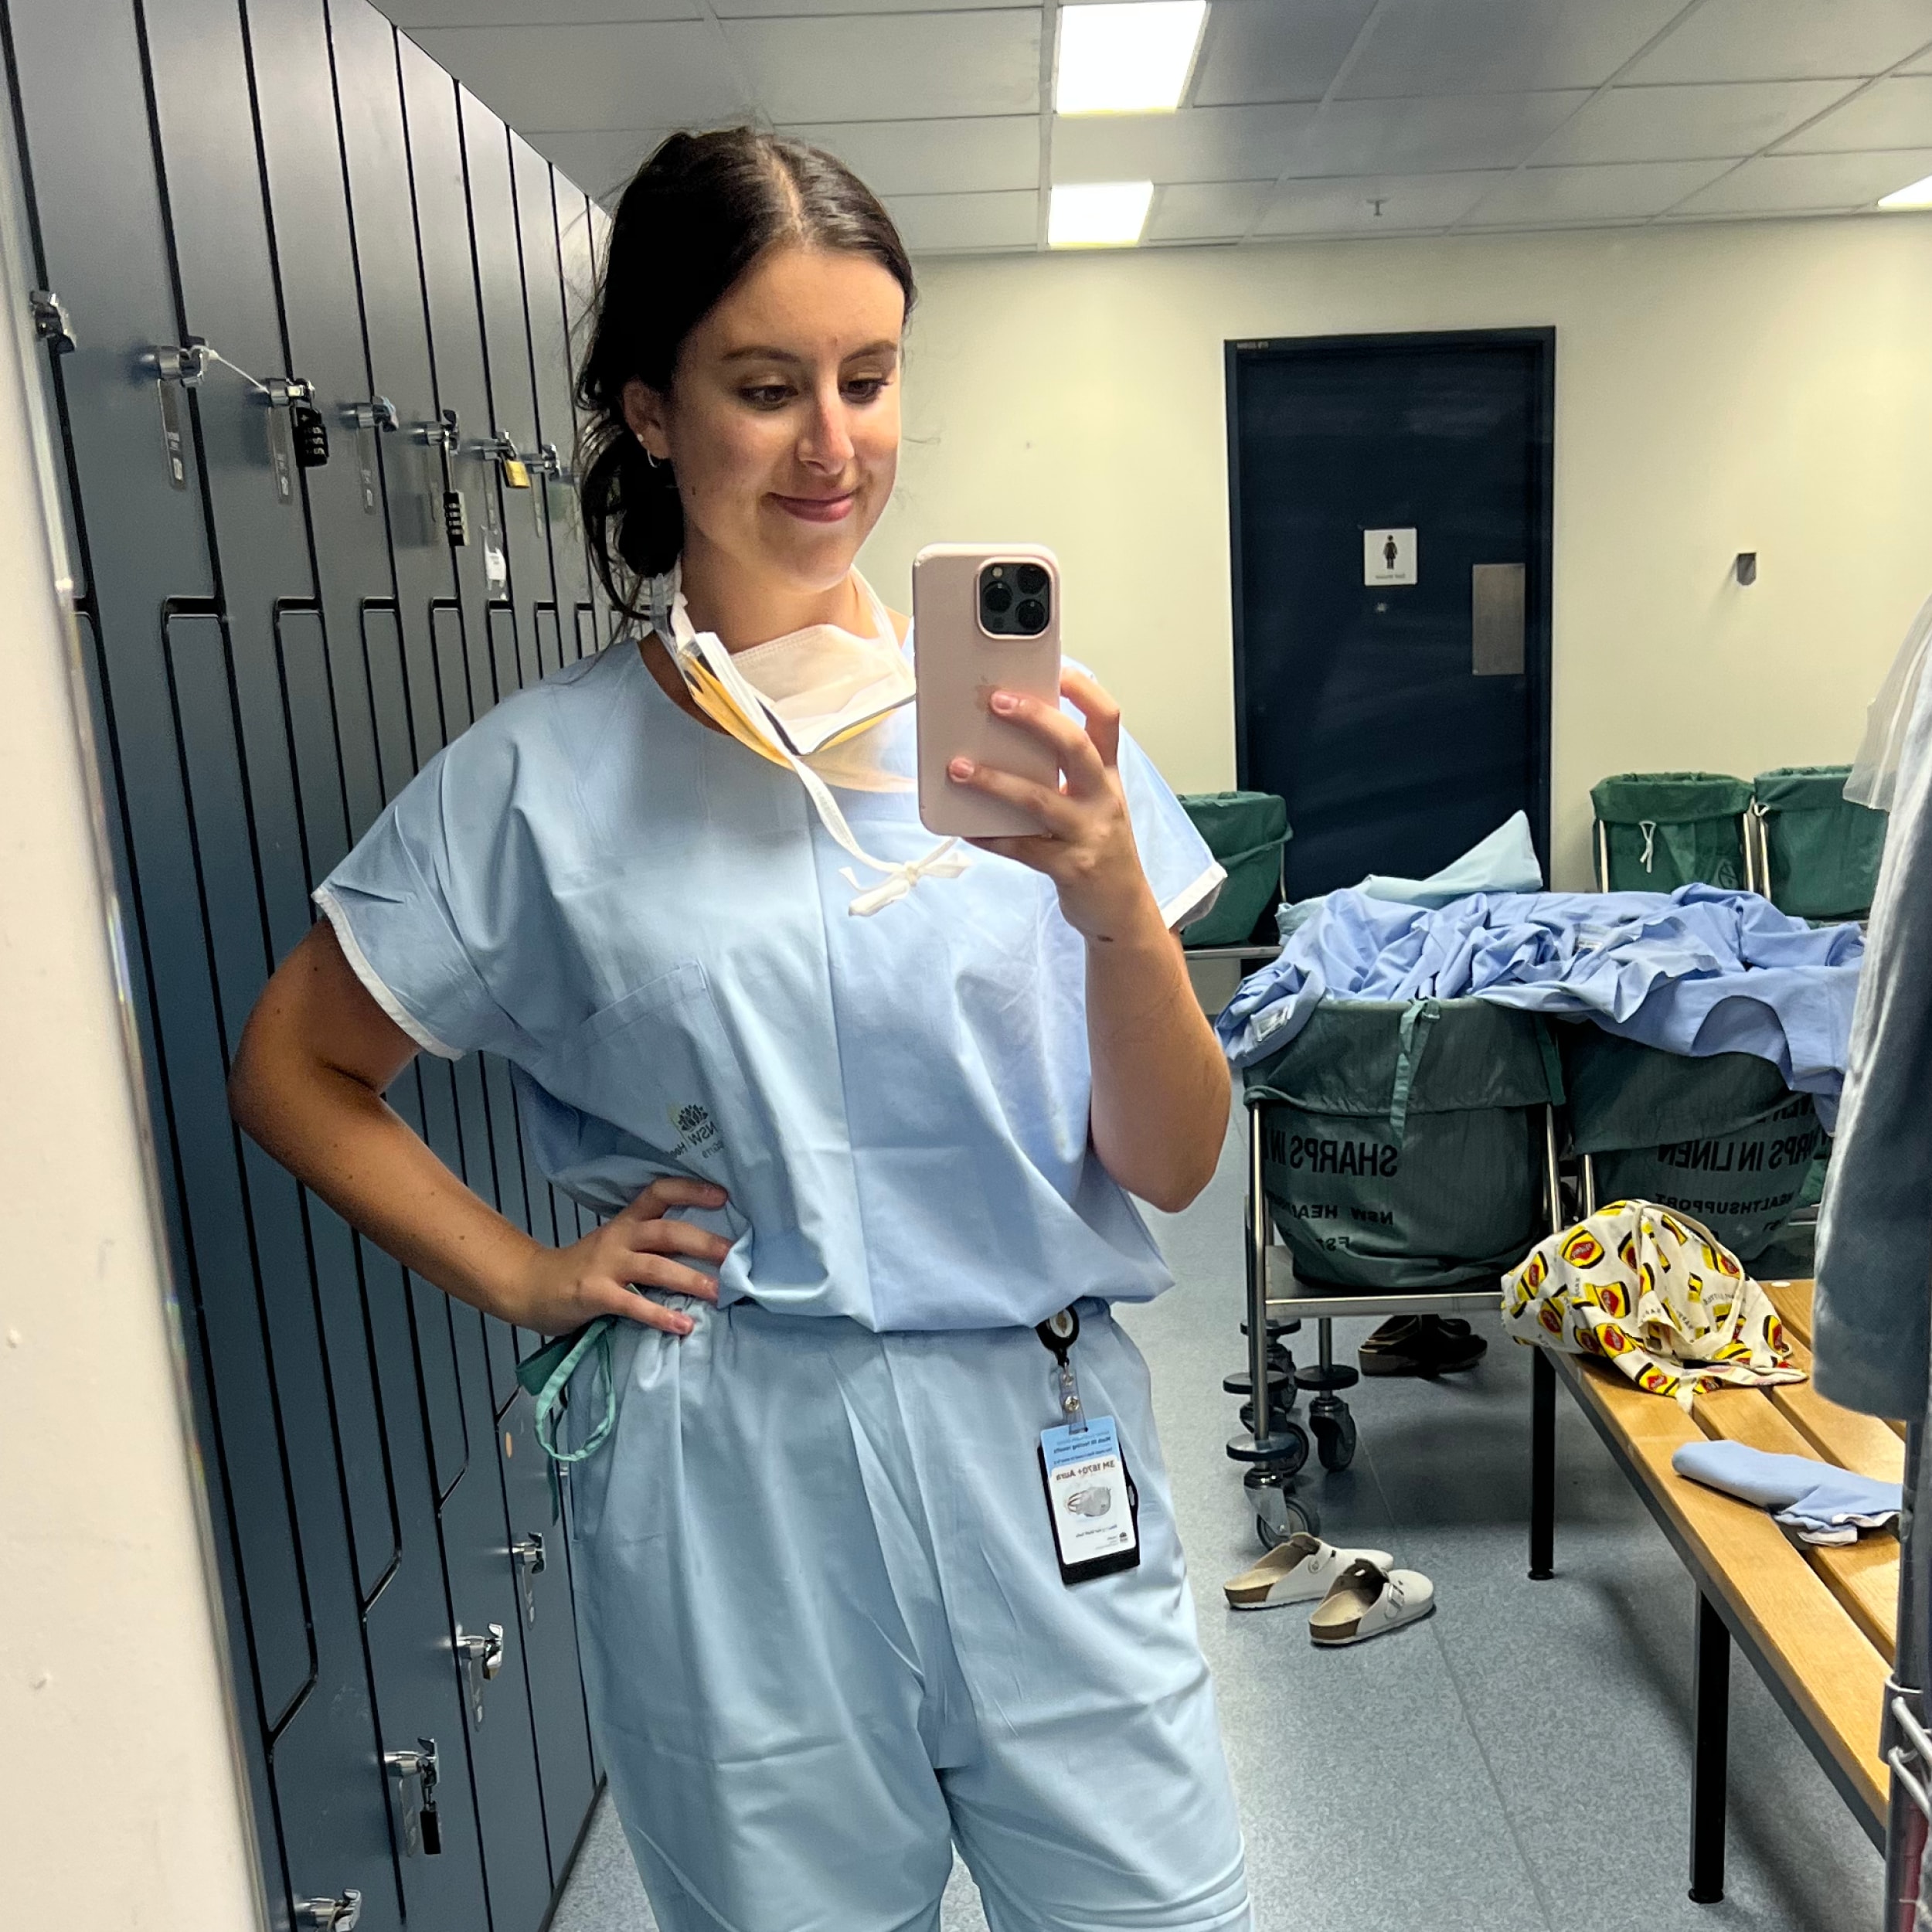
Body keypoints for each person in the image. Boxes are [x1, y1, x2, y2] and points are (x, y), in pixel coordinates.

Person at [230, 127, 1250, 1932]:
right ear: (649, 405)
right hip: (731, 1477)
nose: (831, 443)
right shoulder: (537, 784)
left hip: (1038, 1439)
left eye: (866, 379)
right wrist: (530, 1277)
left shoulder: (1034, 739)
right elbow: (295, 1068)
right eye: (765, 386)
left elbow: (1168, 1158)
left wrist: (1103, 896)